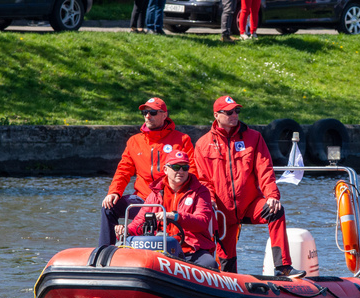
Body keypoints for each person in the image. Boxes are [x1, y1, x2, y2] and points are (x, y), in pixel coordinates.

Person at [194, 95, 305, 278]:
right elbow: (203, 180)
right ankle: (231, 290)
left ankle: (283, 267)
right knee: (226, 265)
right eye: (229, 112)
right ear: (216, 115)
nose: (234, 115)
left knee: (276, 211)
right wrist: (211, 201)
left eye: (237, 111)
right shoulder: (203, 144)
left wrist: (272, 196)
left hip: (249, 204)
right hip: (222, 210)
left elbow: (265, 170)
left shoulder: (253, 137)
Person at [99, 97, 197, 246]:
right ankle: (105, 251)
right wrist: (113, 192)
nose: (147, 116)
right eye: (145, 113)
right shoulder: (134, 141)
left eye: (152, 112)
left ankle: (180, 251)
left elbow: (193, 171)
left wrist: (195, 198)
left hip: (171, 199)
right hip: (141, 199)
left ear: (164, 115)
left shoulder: (182, 139)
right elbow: (123, 170)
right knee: (108, 208)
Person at [117, 150, 218, 269]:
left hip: (192, 248)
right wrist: (125, 230)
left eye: (184, 167)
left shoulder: (201, 192)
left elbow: (202, 222)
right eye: (176, 167)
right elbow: (140, 222)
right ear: (165, 169)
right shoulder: (156, 194)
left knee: (209, 264)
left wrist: (176, 217)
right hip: (160, 247)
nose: (180, 171)